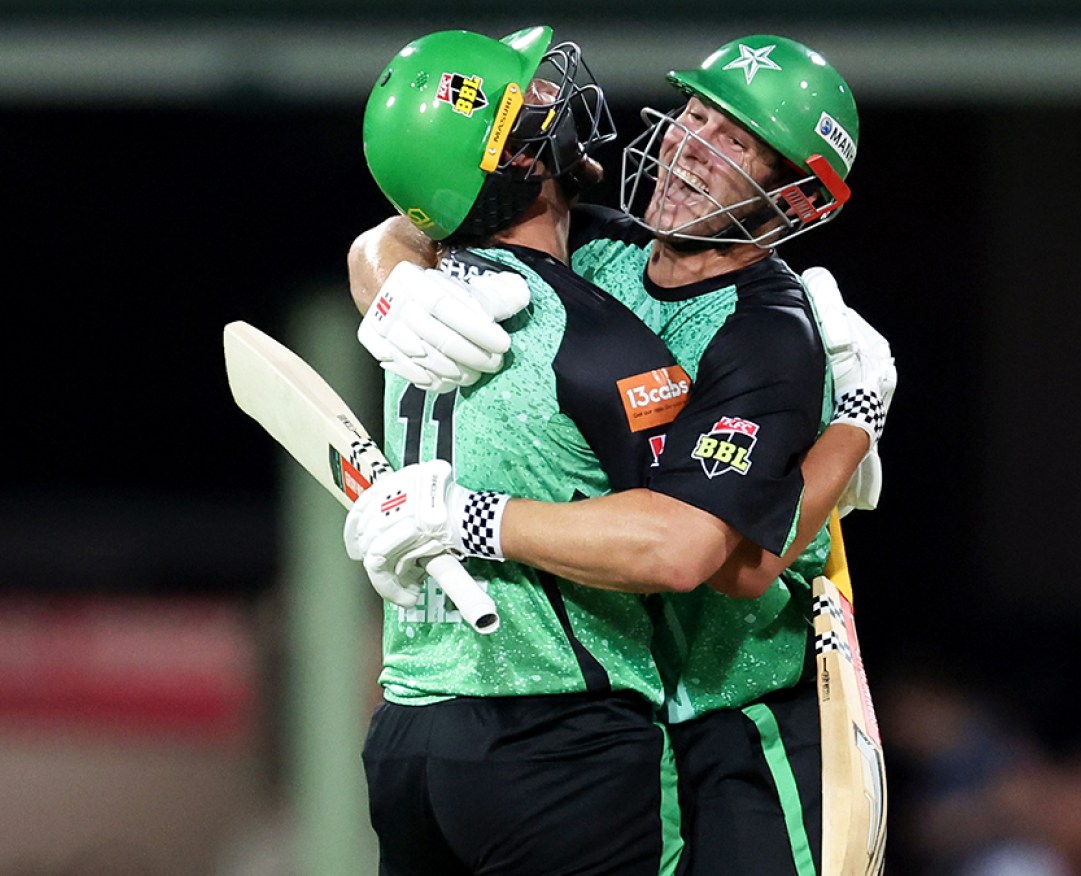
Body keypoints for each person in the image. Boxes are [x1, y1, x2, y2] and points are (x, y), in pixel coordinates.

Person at [345, 35, 894, 876]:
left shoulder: (767, 337)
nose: (689, 147)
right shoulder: (601, 247)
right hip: (627, 711)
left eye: (734, 142)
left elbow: (727, 566)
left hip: (737, 714)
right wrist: (389, 273)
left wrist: (854, 423)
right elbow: (436, 209)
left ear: (791, 197)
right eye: (696, 115)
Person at [351, 26, 688, 875]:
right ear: (517, 162)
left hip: (409, 735)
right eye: (531, 101)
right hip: (553, 736)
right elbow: (670, 544)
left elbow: (396, 235)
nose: (558, 95)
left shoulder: (410, 297)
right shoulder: (587, 333)